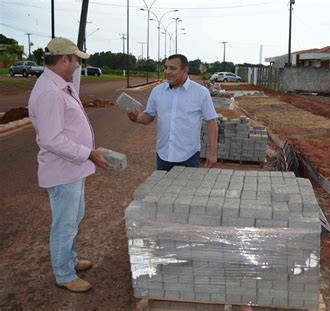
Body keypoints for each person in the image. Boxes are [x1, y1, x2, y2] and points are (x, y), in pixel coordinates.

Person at [28, 37, 111, 293]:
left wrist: (88, 154)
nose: (77, 65)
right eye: (75, 60)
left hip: (73, 169)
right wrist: (88, 153)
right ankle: (63, 274)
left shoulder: (61, 84)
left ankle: (71, 260)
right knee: (64, 225)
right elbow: (51, 139)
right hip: (63, 171)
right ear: (64, 59)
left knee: (74, 218)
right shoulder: (50, 92)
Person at [128, 54, 218, 171]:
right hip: (163, 156)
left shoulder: (201, 92)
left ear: (185, 70)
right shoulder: (158, 91)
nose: (167, 72)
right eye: (166, 67)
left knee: (187, 189)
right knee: (163, 189)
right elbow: (149, 116)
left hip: (188, 157)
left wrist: (212, 153)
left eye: (173, 68)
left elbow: (211, 122)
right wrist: (136, 118)